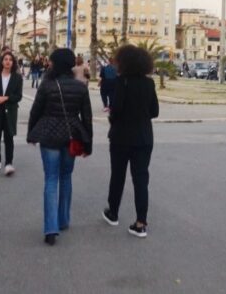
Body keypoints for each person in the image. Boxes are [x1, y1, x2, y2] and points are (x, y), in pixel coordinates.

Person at [27, 48, 93, 246]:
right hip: (71, 134)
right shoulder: (80, 87)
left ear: (55, 64)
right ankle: (63, 219)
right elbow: (87, 117)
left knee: (51, 179)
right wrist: (88, 144)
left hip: (48, 135)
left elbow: (35, 111)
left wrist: (31, 134)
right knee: (66, 177)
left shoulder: (47, 85)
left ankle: (50, 228)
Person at [103, 46, 160, 238]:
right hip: (144, 137)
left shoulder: (122, 82)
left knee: (117, 175)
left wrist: (113, 118)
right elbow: (154, 112)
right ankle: (141, 222)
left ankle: (113, 212)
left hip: (121, 137)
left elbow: (116, 109)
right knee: (141, 179)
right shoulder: (149, 83)